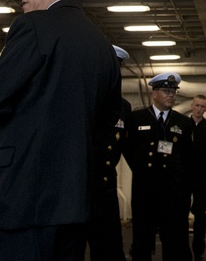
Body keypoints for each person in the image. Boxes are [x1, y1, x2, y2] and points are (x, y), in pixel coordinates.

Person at [0, 0, 121, 261]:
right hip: (75, 201)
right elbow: (107, 119)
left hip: (24, 195)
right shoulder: (102, 46)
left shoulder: (33, 27)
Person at [124, 73, 194, 261]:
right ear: (154, 93)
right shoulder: (137, 119)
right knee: (142, 242)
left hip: (173, 192)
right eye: (166, 91)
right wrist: (140, 169)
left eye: (173, 92)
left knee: (175, 242)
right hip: (145, 190)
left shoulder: (183, 122)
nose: (171, 95)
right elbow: (128, 149)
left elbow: (188, 158)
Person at [85, 45, 134, 261]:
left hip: (106, 187)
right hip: (80, 186)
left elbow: (130, 149)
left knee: (110, 248)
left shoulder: (123, 108)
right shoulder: (82, 100)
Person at [187, 95, 206, 261]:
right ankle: (182, 251)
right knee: (179, 212)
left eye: (202, 106)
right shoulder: (183, 125)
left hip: (201, 175)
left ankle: (198, 251)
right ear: (192, 106)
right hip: (183, 175)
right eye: (197, 105)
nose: (199, 109)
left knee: (200, 214)